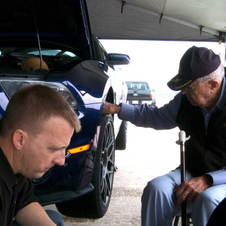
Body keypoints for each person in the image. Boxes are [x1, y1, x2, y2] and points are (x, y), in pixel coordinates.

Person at [103, 46, 226, 226]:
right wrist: (118, 109)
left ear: (213, 85)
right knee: (156, 189)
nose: (183, 93)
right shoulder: (186, 100)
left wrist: (209, 179)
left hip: (221, 179)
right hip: (193, 172)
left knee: (207, 199)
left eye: (189, 87)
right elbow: (157, 117)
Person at [0, 84, 81, 226]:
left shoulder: (14, 163)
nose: (61, 161)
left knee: (53, 219)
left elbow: (24, 202)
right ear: (19, 139)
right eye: (53, 149)